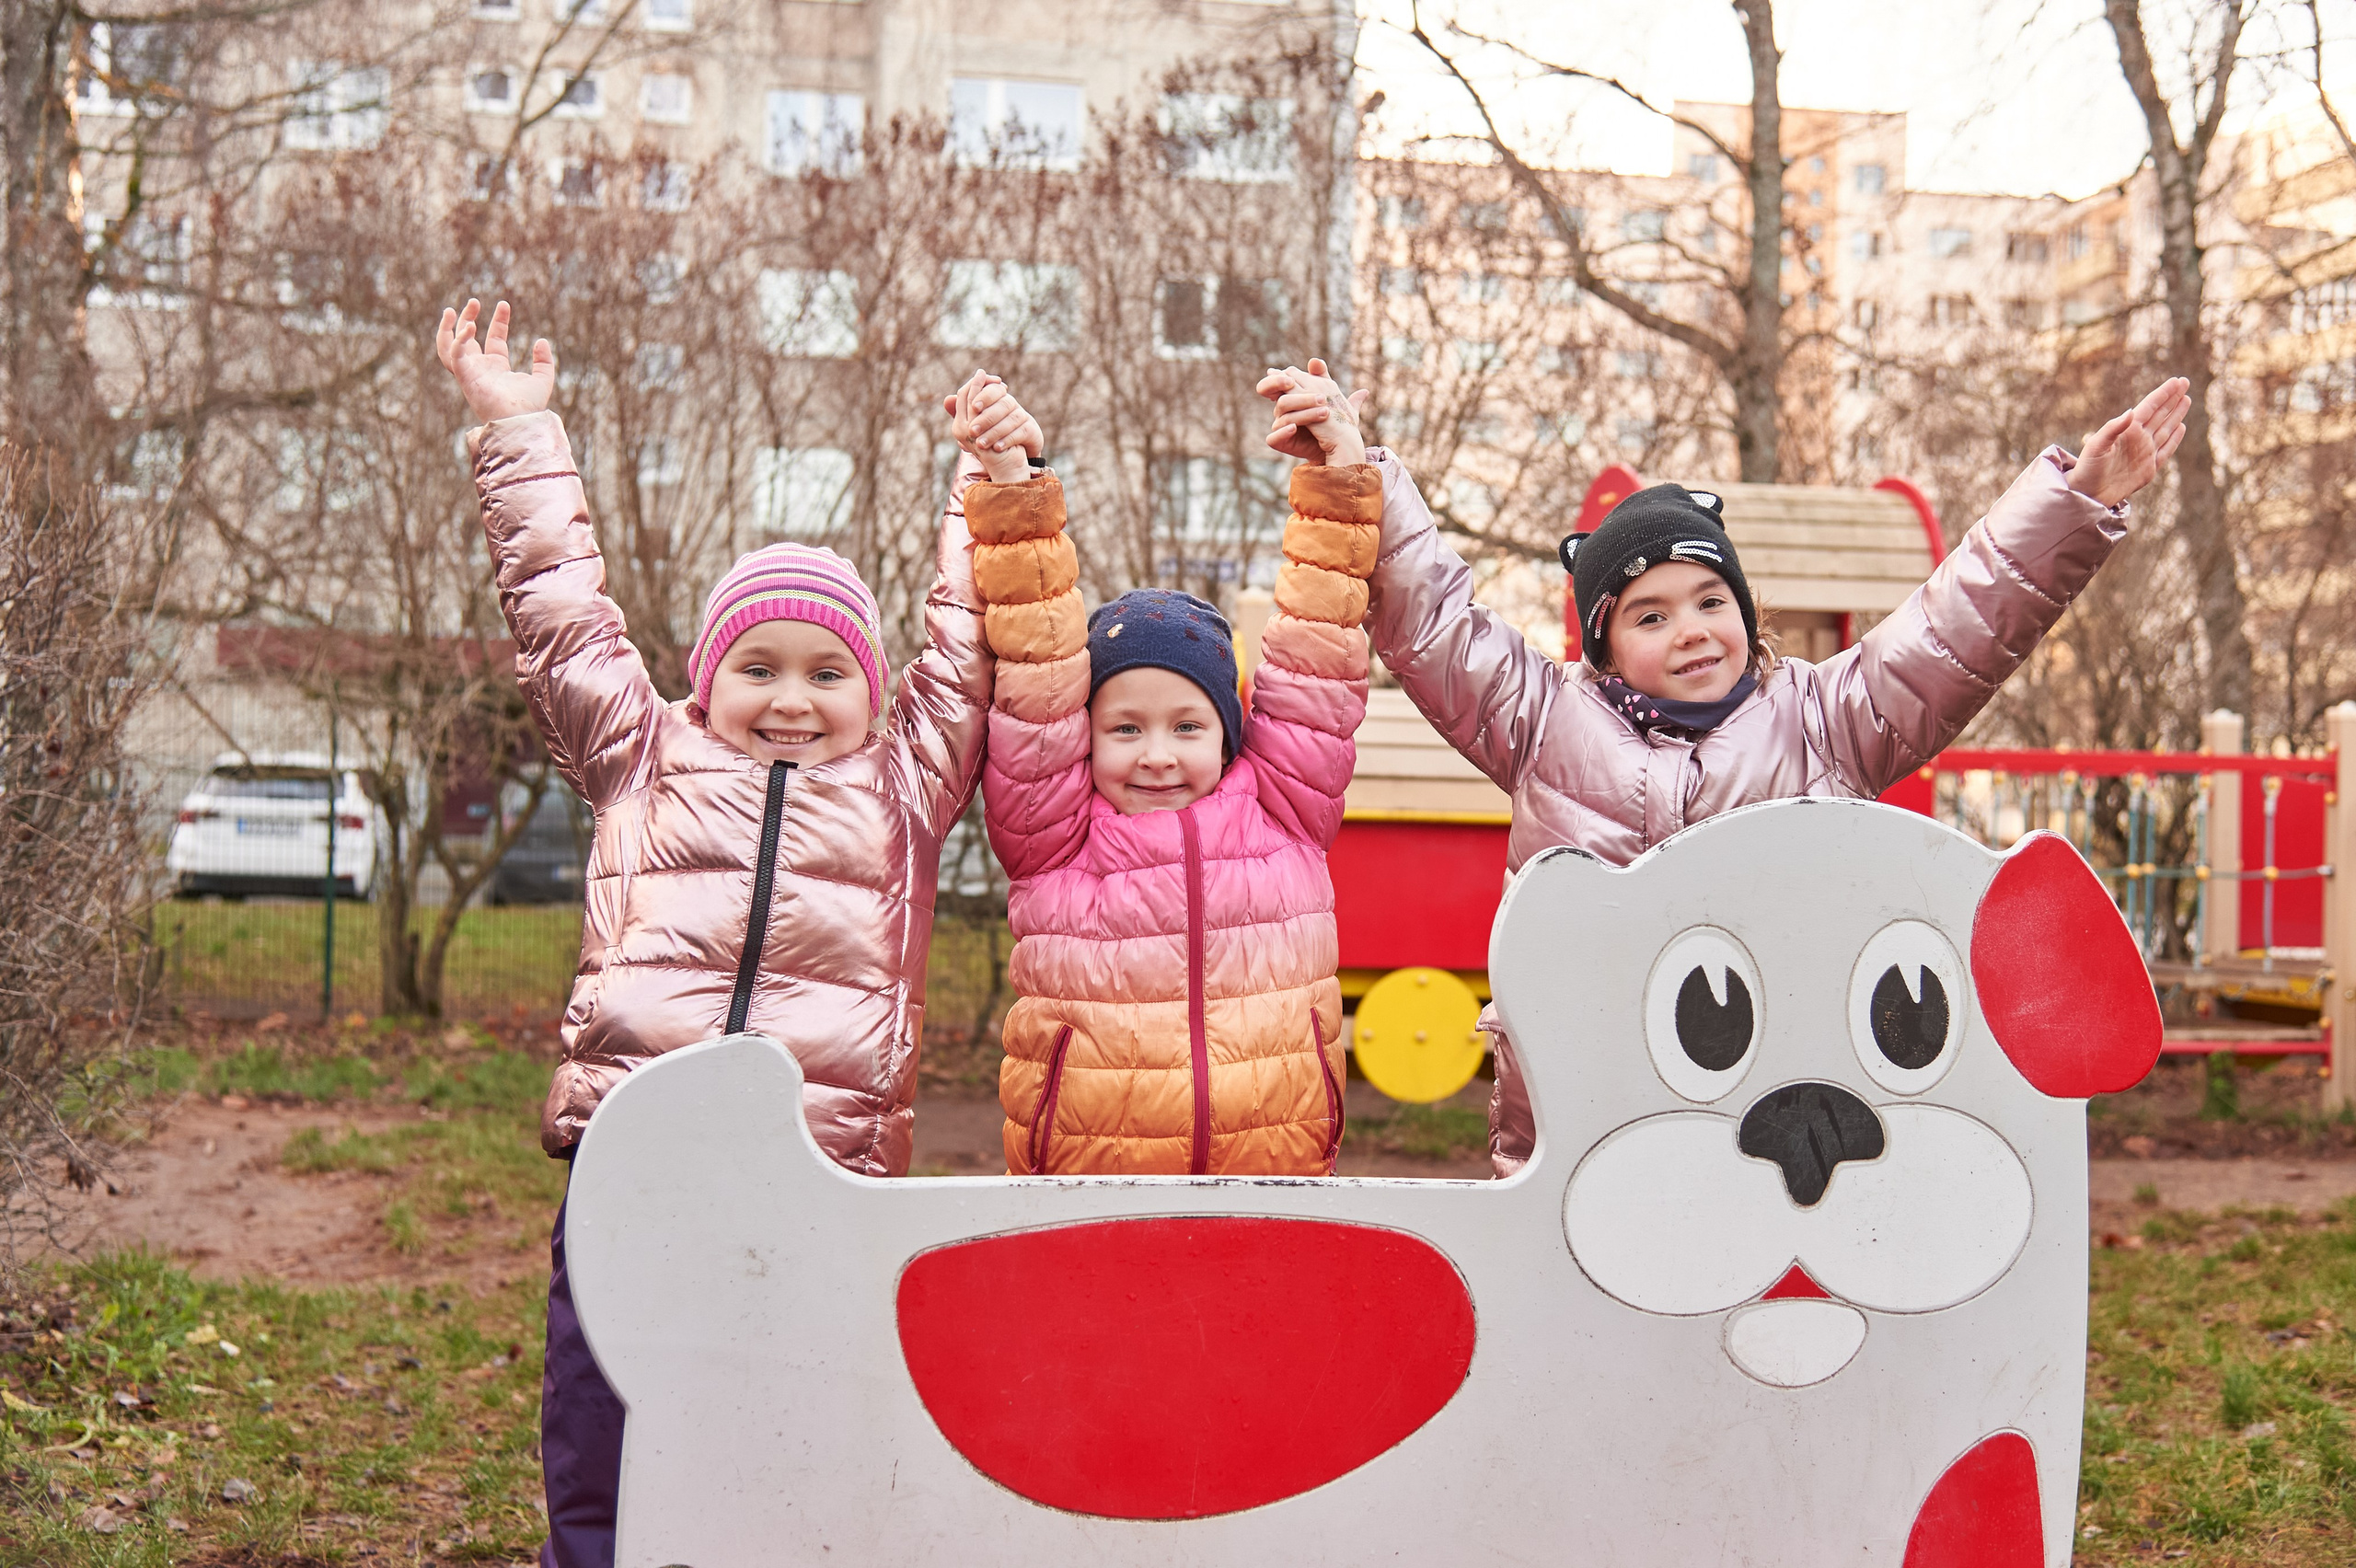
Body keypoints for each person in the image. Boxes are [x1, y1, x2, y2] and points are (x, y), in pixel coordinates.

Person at [1260, 358, 2191, 1175]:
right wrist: (1354, 467)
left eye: (1711, 600)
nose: (1692, 630)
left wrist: (2071, 502)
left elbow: (1958, 627)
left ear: (1745, 610)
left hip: (1780, 1101)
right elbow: (1431, 621)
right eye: (1650, 615)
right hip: (1590, 1108)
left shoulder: (1829, 719)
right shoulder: (1543, 722)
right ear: (1603, 646)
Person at [435, 299, 1008, 1568]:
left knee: (788, 1435)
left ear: (871, 689)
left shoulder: (905, 788)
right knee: (602, 1421)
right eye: (760, 668)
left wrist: (981, 486)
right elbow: (561, 617)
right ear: (708, 677)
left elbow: (965, 649)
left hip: (819, 1175)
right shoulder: (641, 756)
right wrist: (519, 432)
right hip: (636, 1156)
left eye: (827, 672)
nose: (791, 699)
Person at [958, 374, 1381, 1174]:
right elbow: (1039, 664)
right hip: (1089, 1184)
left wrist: (1339, 478)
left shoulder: (1283, 809)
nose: (1157, 753)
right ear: (1083, 737)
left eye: (1188, 726)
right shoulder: (1054, 835)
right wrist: (1015, 485)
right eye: (1125, 728)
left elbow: (1318, 642)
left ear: (1227, 737)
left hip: (1274, 1174)